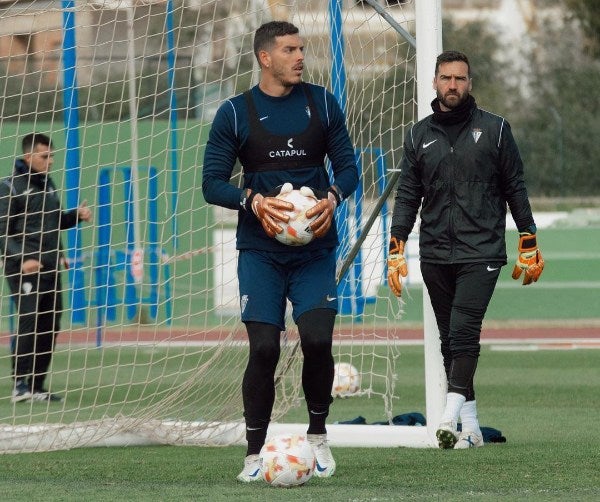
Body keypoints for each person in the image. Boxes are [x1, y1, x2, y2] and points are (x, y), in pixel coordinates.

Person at [202, 21, 358, 480]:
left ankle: (318, 437)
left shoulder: (322, 103)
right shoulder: (234, 112)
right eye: (290, 49)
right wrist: (251, 199)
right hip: (260, 252)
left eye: (302, 49)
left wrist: (332, 197)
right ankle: (254, 453)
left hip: (314, 251)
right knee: (265, 347)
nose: (300, 57)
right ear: (265, 57)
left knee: (316, 339)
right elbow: (211, 183)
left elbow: (348, 168)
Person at [387, 50, 544, 449]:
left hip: (482, 252)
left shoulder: (495, 129)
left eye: (460, 78)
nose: (452, 85)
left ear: (469, 83)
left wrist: (528, 235)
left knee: (463, 331)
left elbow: (515, 185)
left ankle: (448, 417)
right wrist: (396, 243)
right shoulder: (418, 134)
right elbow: (407, 194)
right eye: (446, 78)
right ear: (435, 83)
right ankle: (471, 428)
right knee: (447, 340)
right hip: (436, 252)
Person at [0, 133, 92, 403]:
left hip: (51, 266)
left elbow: (53, 224)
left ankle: (37, 385)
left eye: (52, 156)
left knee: (50, 325)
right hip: (25, 267)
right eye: (45, 156)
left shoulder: (48, 185)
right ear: (28, 156)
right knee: (29, 323)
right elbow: (2, 233)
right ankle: (19, 384)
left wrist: (75, 216)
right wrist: (22, 258)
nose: (50, 161)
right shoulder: (10, 187)